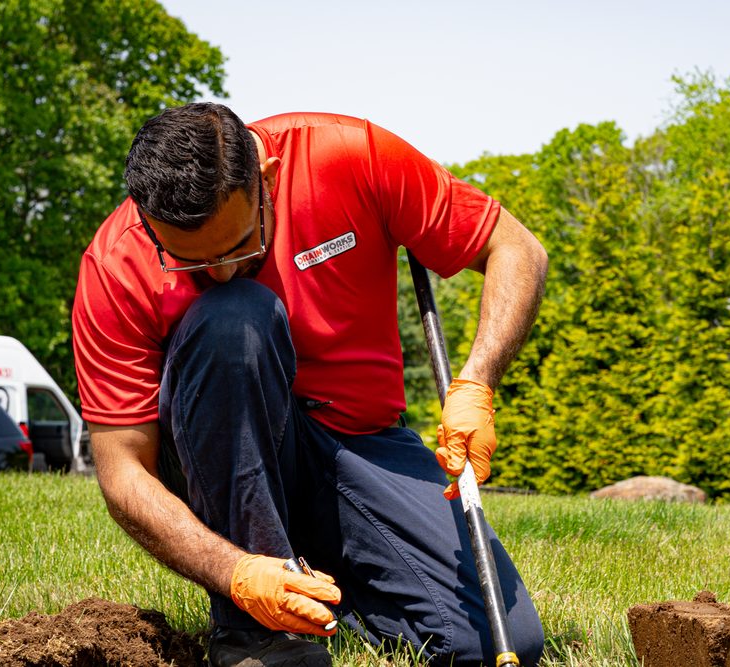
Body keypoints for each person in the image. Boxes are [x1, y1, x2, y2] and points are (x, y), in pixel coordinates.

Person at [72, 103, 548, 667]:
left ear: (267, 179)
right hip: (220, 462)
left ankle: (331, 592)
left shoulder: (352, 157)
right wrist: (235, 573)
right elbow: (123, 471)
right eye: (189, 260)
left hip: (357, 445)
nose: (220, 272)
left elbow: (517, 248)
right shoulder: (113, 264)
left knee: (496, 643)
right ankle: (255, 633)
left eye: (239, 245)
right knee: (234, 316)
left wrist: (477, 383)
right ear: (149, 223)